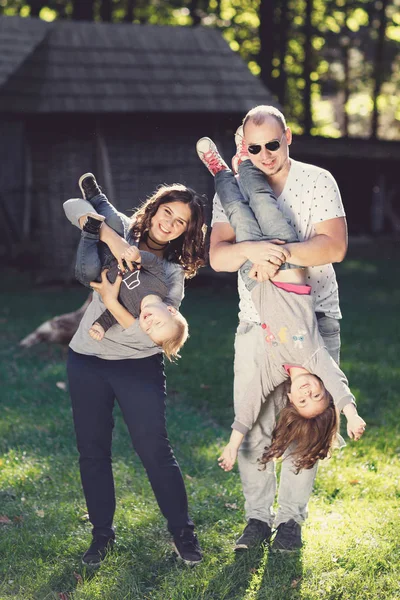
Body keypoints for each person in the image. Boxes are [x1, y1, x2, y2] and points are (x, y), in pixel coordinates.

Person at [206, 104, 350, 552]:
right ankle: (255, 519)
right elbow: (218, 256)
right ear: (241, 145)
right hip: (257, 323)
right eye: (255, 147)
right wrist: (252, 248)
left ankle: (290, 521)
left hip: (315, 316)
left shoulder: (317, 180)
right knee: (255, 426)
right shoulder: (229, 193)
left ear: (288, 136)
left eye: (272, 144)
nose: (265, 154)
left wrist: (277, 256)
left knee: (308, 421)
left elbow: (335, 246)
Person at [196, 138, 365, 476]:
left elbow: (250, 402)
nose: (307, 392)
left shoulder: (277, 366)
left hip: (256, 274)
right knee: (261, 200)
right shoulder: (316, 358)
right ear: (322, 390)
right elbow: (340, 385)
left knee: (237, 212)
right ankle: (245, 163)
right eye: (316, 395)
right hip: (286, 261)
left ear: (291, 400)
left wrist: (232, 443)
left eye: (302, 400)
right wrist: (351, 414)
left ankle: (221, 172)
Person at [63, 176, 206, 566]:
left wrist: (110, 299)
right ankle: (101, 536)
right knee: (92, 451)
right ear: (156, 209)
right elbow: (72, 207)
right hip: (86, 359)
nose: (170, 223)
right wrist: (112, 239)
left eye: (181, 222)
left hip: (137, 367)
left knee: (154, 450)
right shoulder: (122, 228)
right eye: (168, 213)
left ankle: (183, 534)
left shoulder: (172, 273)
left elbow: (154, 335)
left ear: (187, 231)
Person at [74, 173, 188, 360]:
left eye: (148, 329)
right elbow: (154, 263)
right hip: (117, 255)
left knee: (87, 274)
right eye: (157, 323)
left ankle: (91, 232)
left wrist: (99, 326)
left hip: (103, 270)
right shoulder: (161, 287)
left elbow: (111, 315)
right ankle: (96, 197)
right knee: (114, 222)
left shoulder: (134, 311)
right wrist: (139, 256)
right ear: (170, 310)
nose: (149, 322)